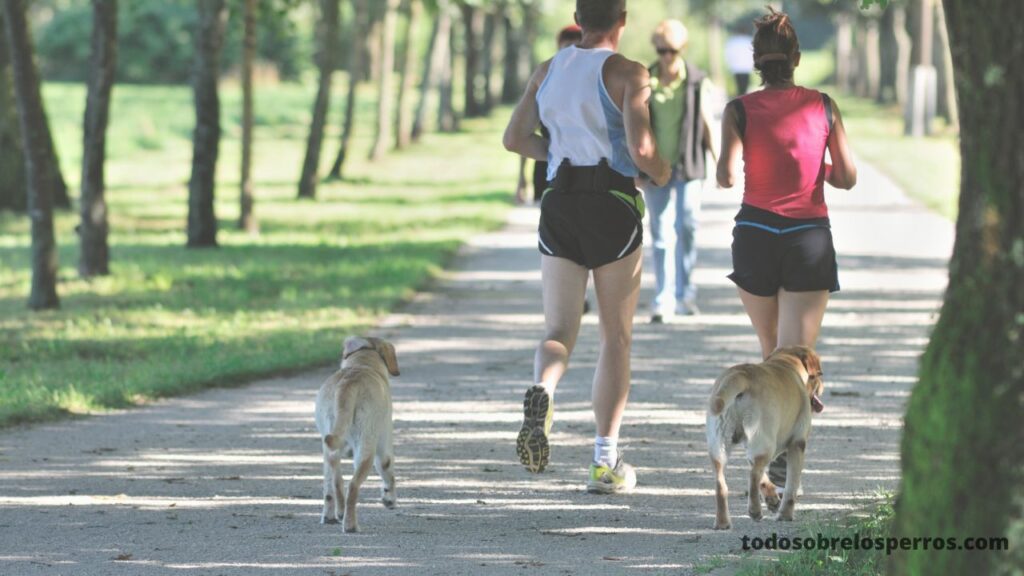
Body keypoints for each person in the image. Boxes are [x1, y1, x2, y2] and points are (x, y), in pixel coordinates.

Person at [503, 0, 670, 494]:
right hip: (611, 203)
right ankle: (605, 459)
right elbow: (641, 150)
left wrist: (552, 153)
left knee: (558, 328)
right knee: (615, 338)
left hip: (559, 202)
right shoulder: (629, 73)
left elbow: (514, 138)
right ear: (622, 20)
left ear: (578, 17)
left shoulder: (548, 69)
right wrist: (660, 172)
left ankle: (544, 389)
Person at [716, 7, 857, 492]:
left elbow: (725, 175)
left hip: (755, 233)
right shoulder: (824, 106)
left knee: (772, 352)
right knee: (796, 358)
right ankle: (782, 447)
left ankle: (768, 439)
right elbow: (848, 176)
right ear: (796, 58)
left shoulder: (738, 110)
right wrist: (817, 169)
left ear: (756, 61)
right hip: (807, 236)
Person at [642, 19, 716, 323]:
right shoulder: (645, 80)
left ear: (681, 49)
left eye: (671, 50)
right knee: (660, 232)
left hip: (688, 165)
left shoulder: (697, 81)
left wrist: (720, 161)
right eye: (661, 50)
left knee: (686, 226)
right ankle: (663, 297)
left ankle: (686, 293)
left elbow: (708, 122)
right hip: (656, 168)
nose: (666, 56)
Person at [515, 24, 584, 205]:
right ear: (558, 48)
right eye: (566, 48)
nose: (571, 53)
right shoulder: (544, 82)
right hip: (547, 168)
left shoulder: (594, 85)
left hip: (586, 171)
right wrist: (521, 177)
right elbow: (523, 134)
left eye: (576, 47)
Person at [724, 27, 754, 97]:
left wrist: (729, 64)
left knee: (738, 87)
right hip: (746, 67)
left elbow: (728, 54)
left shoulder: (732, 41)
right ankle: (743, 99)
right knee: (744, 87)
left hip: (736, 67)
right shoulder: (749, 40)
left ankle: (739, 99)